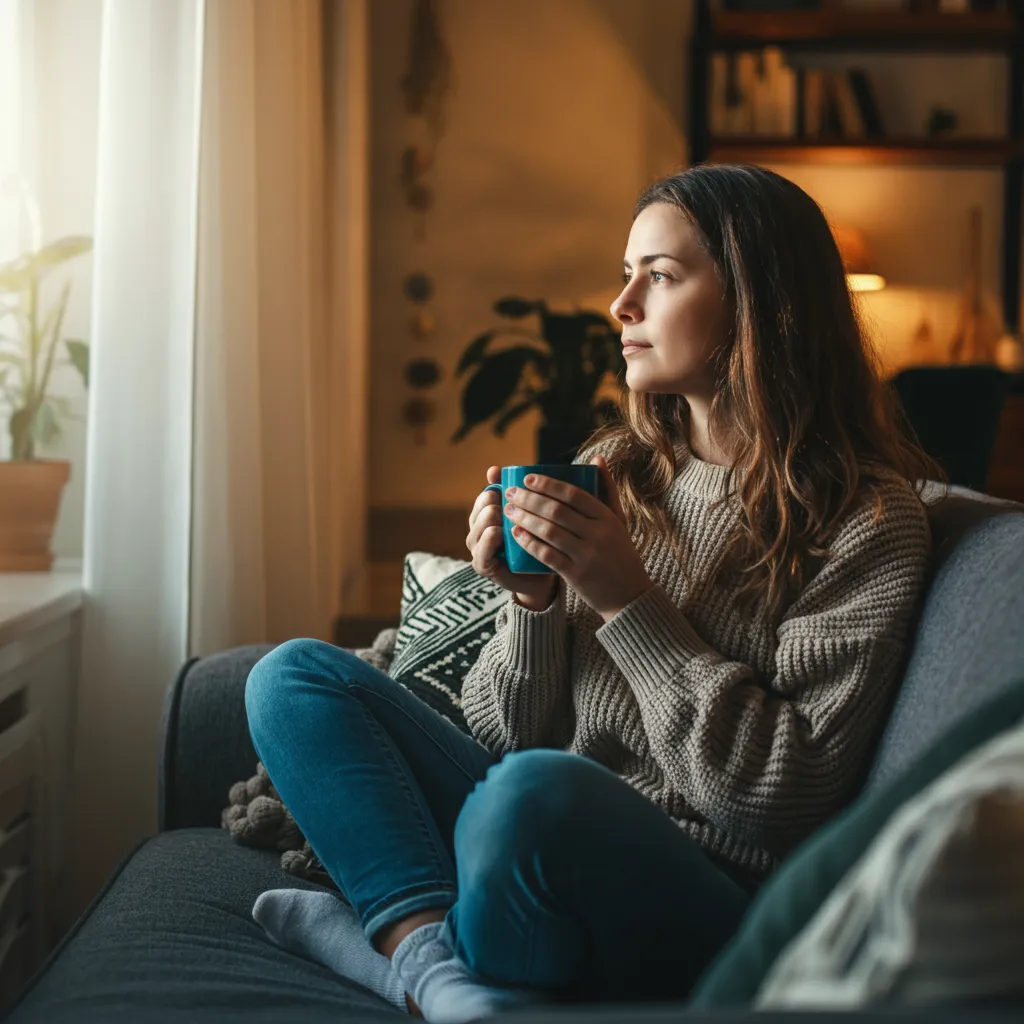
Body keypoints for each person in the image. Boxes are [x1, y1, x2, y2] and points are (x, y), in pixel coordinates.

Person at [244, 165, 941, 1022]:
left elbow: (777, 801)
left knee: (534, 794)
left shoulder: (866, 521)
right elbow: (505, 733)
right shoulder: (625, 472)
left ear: (766, 304)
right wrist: (532, 606)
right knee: (293, 678)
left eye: (660, 276)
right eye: (626, 275)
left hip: (701, 894)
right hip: (526, 843)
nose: (621, 307)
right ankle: (432, 966)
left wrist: (626, 602)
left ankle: (390, 943)